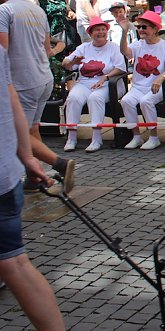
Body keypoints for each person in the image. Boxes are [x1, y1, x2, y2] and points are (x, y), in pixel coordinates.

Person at [0, 42, 66, 331]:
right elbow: (10, 95)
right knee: (16, 264)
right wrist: (26, 155)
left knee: (14, 264)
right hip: (5, 174)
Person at [0, 0, 75, 192]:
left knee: (16, 131)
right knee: (32, 130)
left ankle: (60, 164)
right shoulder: (37, 11)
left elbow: (2, 51)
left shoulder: (4, 12)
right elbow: (46, 48)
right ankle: (34, 178)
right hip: (42, 77)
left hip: (21, 81)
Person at [61, 17, 127, 152]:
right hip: (85, 83)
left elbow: (121, 68)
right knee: (73, 98)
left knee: (95, 98)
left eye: (103, 29)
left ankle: (97, 138)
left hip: (108, 84)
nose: (101, 32)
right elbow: (65, 64)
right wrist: (73, 62)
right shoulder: (83, 47)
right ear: (90, 33)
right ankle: (71, 138)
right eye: (97, 30)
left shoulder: (113, 47)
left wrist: (105, 77)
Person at [118, 10, 165, 150]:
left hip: (158, 86)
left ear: (155, 29)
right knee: (126, 101)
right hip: (138, 87)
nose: (140, 30)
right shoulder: (138, 44)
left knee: (146, 101)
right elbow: (124, 51)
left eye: (144, 27)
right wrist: (124, 32)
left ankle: (153, 137)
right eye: (139, 27)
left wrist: (160, 78)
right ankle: (136, 136)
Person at [30, 0, 78, 80]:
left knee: (68, 68)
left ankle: (69, 96)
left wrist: (70, 13)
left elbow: (67, 11)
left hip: (66, 37)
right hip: (51, 39)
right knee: (55, 69)